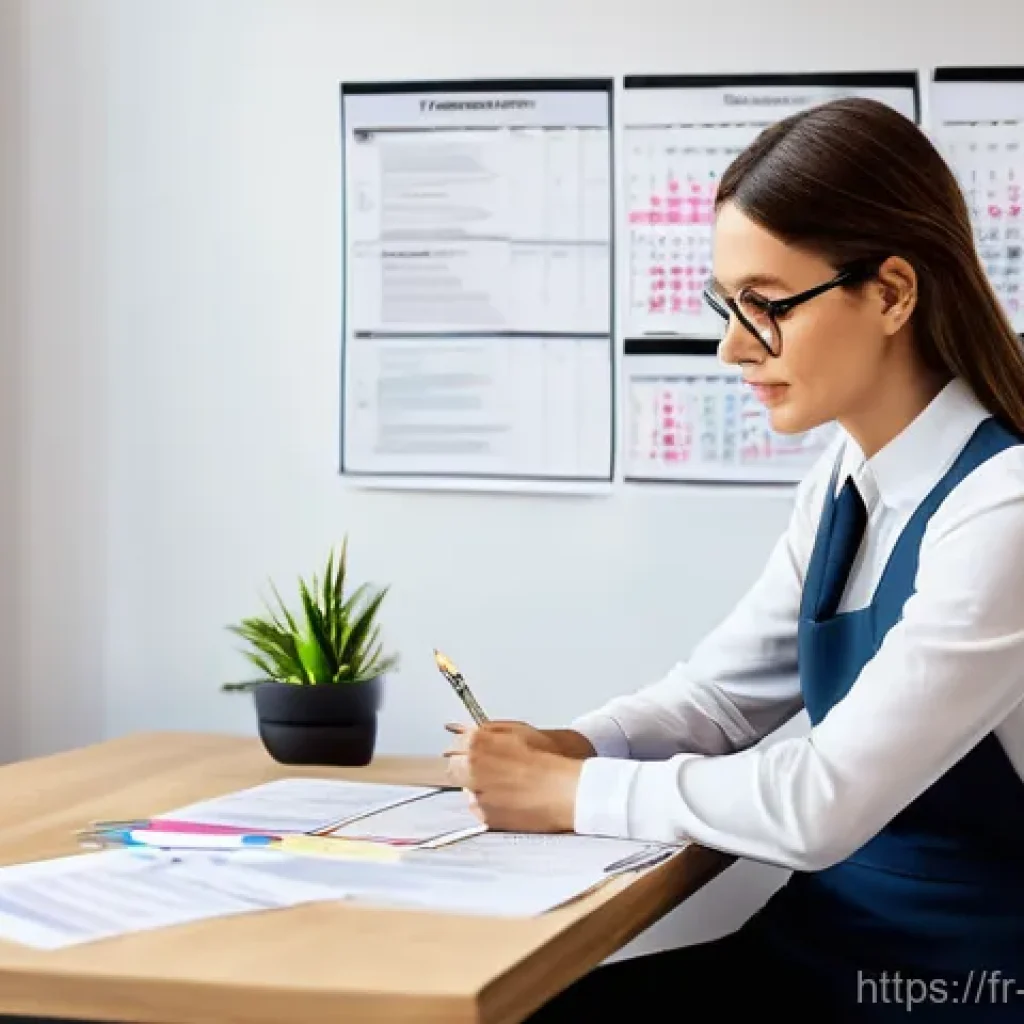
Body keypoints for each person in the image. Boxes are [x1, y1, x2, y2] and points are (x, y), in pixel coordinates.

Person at [444, 96, 1024, 1022]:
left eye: (767, 305)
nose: (732, 348)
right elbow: (718, 700)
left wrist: (572, 791)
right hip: (824, 948)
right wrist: (576, 745)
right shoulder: (844, 477)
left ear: (892, 293)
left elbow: (821, 802)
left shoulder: (1005, 507)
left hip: (956, 984)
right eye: (729, 305)